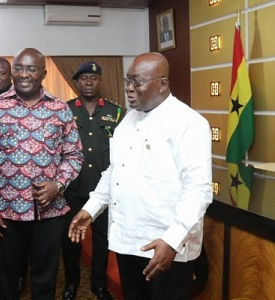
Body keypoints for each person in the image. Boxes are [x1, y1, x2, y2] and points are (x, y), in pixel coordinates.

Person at [68, 52, 212, 300]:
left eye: (137, 82)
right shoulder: (126, 121)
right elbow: (115, 171)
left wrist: (173, 240)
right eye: (127, 81)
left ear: (163, 83)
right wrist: (91, 208)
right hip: (128, 240)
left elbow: (198, 189)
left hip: (164, 245)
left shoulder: (188, 123)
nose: (129, 89)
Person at [0, 48, 84, 300]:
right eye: (19, 68)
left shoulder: (60, 110)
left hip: (50, 215)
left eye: (31, 69)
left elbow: (74, 155)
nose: (23, 74)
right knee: (7, 283)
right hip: (4, 216)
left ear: (43, 73)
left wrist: (59, 184)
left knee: (45, 281)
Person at [62, 62, 124, 300]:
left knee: (102, 238)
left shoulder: (115, 112)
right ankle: (71, 282)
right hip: (72, 188)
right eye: (84, 78)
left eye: (94, 78)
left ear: (100, 82)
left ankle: (98, 283)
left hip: (103, 188)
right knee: (71, 238)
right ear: (77, 82)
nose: (89, 82)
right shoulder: (65, 111)